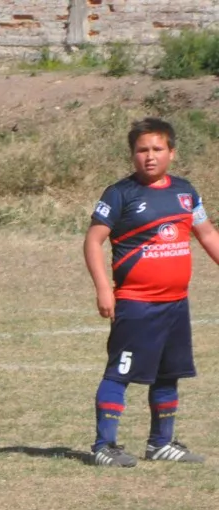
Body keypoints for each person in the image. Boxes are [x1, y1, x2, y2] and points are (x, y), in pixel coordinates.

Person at [86, 117, 219, 466]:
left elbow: (206, 234)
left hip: (175, 305)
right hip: (136, 304)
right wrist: (104, 289)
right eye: (141, 150)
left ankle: (161, 443)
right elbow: (93, 241)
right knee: (120, 372)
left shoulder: (186, 192)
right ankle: (104, 446)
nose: (149, 156)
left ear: (171, 153)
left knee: (169, 374)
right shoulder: (120, 194)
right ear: (132, 155)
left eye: (157, 149)